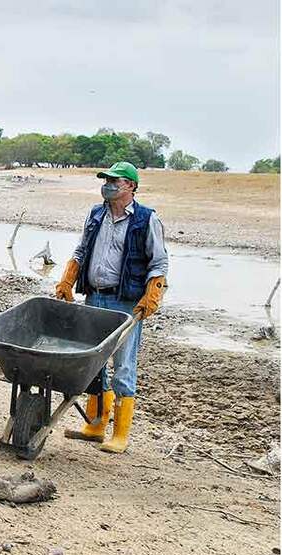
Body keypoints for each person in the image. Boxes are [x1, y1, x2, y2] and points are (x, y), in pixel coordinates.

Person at [54, 161, 169, 453]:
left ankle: (120, 435)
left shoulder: (146, 219)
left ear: (130, 185)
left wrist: (152, 293)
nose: (108, 184)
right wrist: (68, 279)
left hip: (126, 304)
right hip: (95, 297)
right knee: (94, 364)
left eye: (114, 180)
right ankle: (94, 426)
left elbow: (159, 262)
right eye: (106, 179)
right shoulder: (96, 214)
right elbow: (81, 250)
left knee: (124, 366)